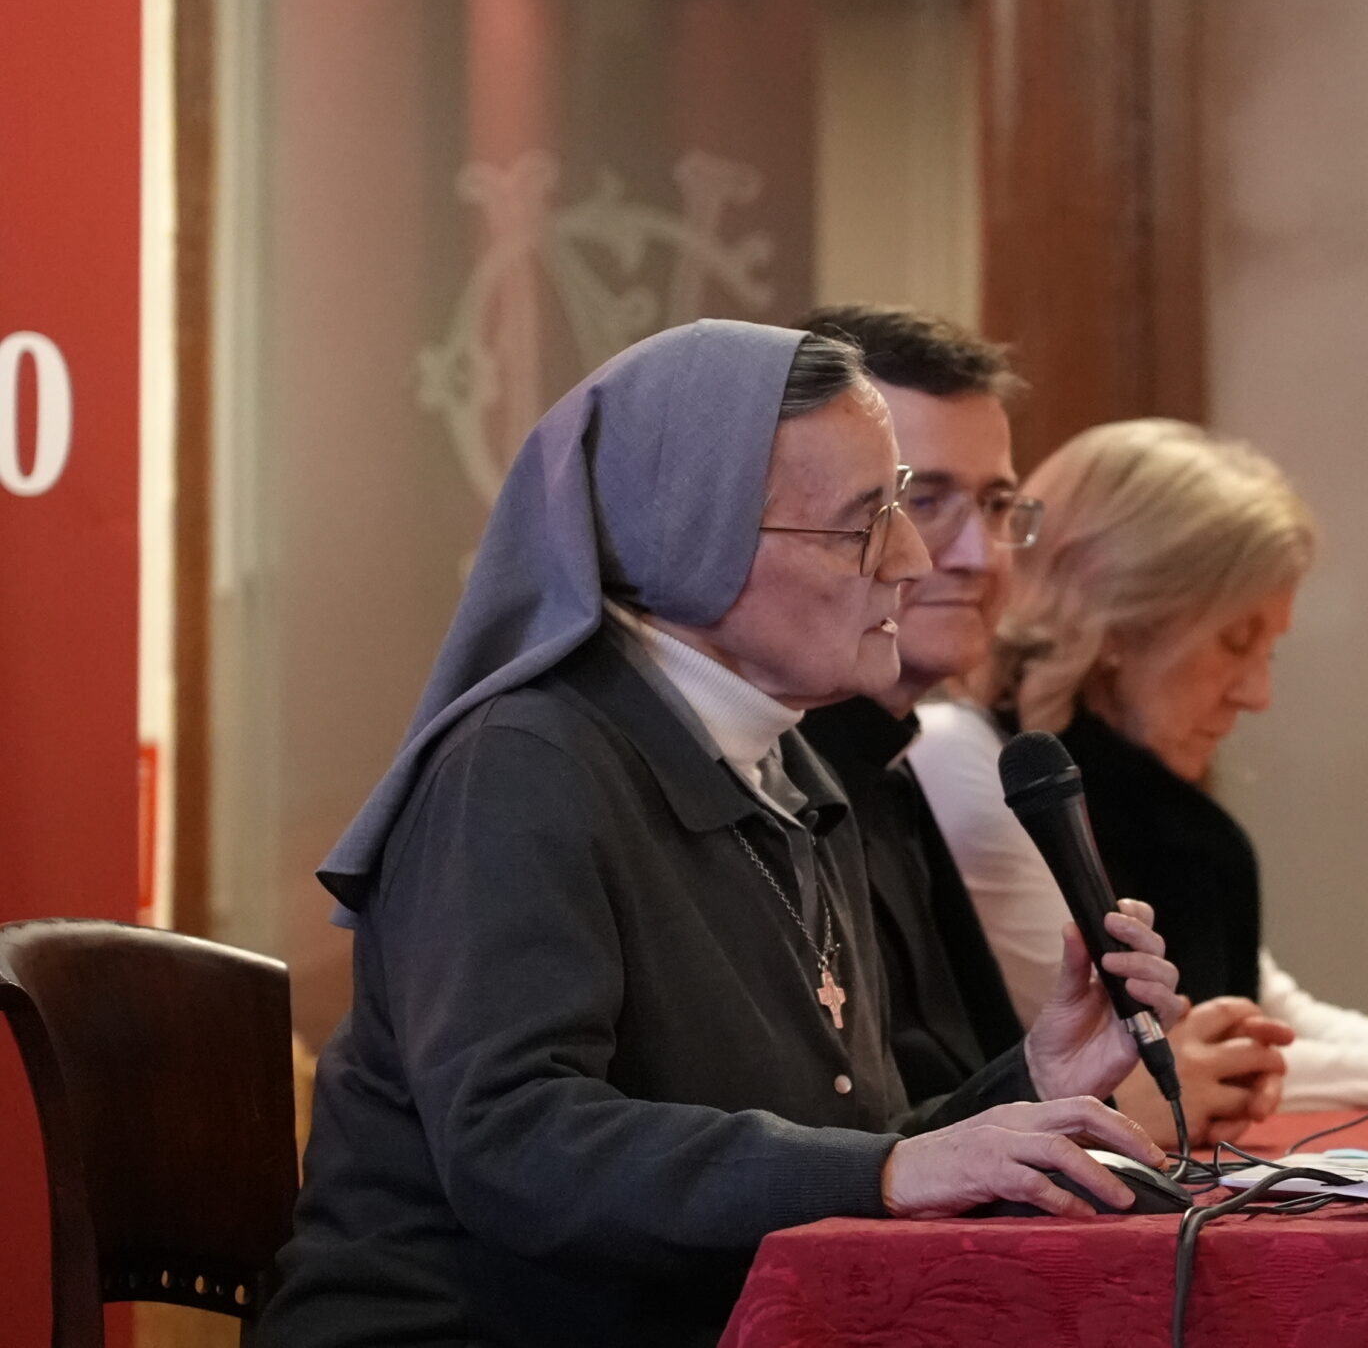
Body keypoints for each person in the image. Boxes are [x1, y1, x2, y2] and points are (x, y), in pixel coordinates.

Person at [261, 322, 1185, 1348]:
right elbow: (515, 1143)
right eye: (865, 521)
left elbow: (838, 1152)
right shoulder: (520, 763)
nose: (911, 559)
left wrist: (1033, 1081)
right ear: (691, 535)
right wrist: (885, 1168)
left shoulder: (794, 771)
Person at [910, 418, 1368, 1111]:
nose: (1258, 694)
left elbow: (1272, 1014)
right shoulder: (967, 759)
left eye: (1268, 650)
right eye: (1235, 642)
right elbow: (1156, 1057)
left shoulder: (1154, 804)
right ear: (1120, 622)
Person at [790, 304, 1290, 1146]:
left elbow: (934, 1102)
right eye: (920, 500)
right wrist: (1101, 1108)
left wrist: (1076, 1093)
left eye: (995, 504)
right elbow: (823, 1141)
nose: (977, 555)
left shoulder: (890, 766)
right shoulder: (815, 768)